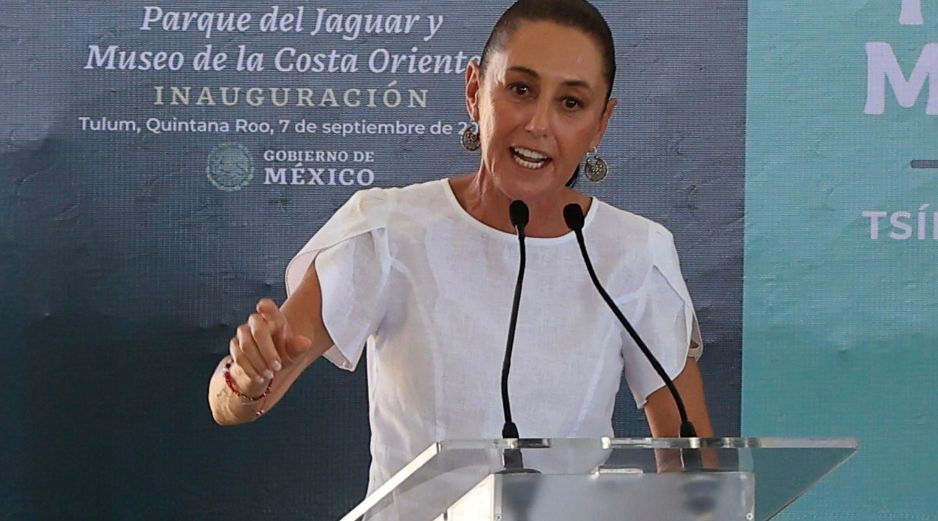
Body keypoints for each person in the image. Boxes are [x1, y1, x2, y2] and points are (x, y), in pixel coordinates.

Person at [208, 0, 713, 499]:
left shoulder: (635, 252)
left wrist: (701, 506)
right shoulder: (389, 229)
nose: (539, 124)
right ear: (475, 91)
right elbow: (233, 400)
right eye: (520, 89)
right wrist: (249, 377)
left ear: (601, 124)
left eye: (571, 103)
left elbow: (691, 462)